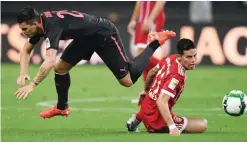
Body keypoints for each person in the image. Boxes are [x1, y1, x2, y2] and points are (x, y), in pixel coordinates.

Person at [14, 6, 176, 118]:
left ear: (34, 23)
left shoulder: (52, 26)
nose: (23, 33)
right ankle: (62, 108)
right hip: (84, 38)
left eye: (24, 29)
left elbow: (49, 61)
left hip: (103, 34)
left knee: (127, 81)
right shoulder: (39, 25)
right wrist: (22, 72)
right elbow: (26, 50)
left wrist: (33, 84)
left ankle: (155, 42)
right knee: (61, 68)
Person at [126, 39, 207, 136]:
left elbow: (152, 72)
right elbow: (161, 101)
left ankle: (138, 118)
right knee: (203, 124)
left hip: (146, 105)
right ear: (179, 57)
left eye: (194, 56)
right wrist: (172, 127)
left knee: (152, 100)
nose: (193, 60)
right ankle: (146, 120)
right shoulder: (177, 76)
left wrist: (146, 90)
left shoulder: (170, 58)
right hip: (156, 120)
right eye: (189, 57)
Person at [128, 1, 167, 103]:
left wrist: (150, 20)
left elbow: (160, 2)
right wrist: (133, 20)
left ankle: (168, 69)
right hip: (141, 21)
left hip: (153, 21)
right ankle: (148, 92)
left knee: (143, 58)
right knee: (143, 61)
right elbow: (139, 2)